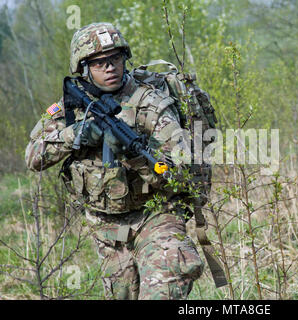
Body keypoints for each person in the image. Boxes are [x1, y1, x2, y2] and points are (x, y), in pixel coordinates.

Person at [24, 22, 205, 300]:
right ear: (83, 68)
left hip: (156, 215)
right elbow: (33, 157)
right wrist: (77, 134)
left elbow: (180, 175)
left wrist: (135, 156)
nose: (110, 67)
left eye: (115, 59)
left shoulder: (152, 104)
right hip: (107, 227)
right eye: (99, 63)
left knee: (163, 288)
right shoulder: (70, 107)